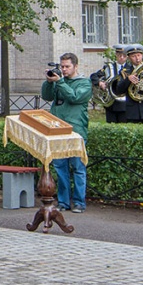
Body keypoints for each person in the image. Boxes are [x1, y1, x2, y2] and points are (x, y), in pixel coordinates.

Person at [41, 52, 92, 213]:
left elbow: (75, 97)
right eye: (62, 66)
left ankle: (79, 202)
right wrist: (49, 82)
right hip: (57, 129)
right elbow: (46, 96)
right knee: (60, 168)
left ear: (75, 66)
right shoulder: (59, 80)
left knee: (78, 168)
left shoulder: (84, 83)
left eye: (67, 67)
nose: (63, 70)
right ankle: (63, 202)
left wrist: (60, 82)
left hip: (76, 130)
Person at [111, 43, 143, 125]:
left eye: (139, 55)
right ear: (129, 58)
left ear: (142, 55)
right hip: (132, 112)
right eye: (133, 56)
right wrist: (128, 79)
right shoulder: (125, 72)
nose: (137, 59)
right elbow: (118, 90)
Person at [90, 44, 127, 123]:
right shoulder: (109, 67)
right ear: (116, 55)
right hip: (111, 103)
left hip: (125, 103)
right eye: (119, 55)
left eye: (124, 56)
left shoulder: (129, 68)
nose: (121, 58)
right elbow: (94, 76)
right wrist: (100, 83)